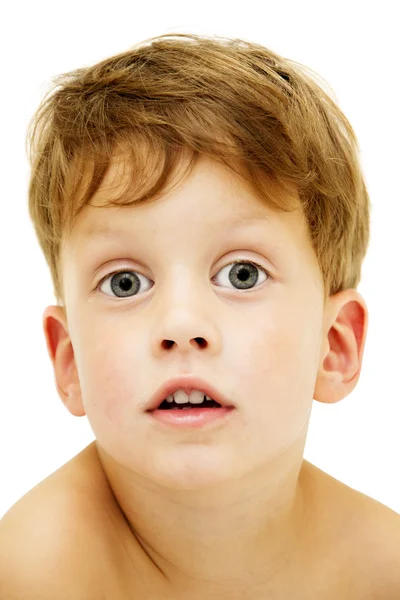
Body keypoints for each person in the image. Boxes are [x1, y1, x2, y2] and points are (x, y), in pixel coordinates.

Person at [1, 32, 399, 599]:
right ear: (69, 362)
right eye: (125, 283)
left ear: (334, 346)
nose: (181, 324)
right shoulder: (38, 570)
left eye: (242, 274)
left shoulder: (383, 568)